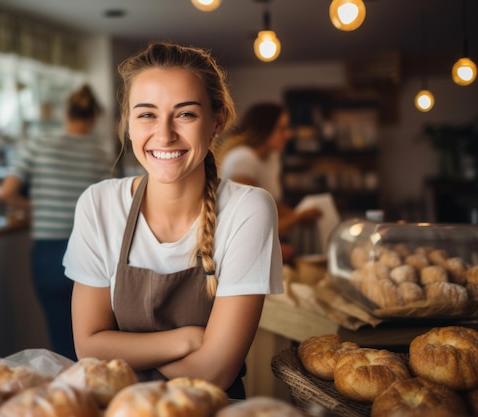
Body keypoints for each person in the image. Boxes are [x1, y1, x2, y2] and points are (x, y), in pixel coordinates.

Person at [63, 42, 283, 399]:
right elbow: (88, 348)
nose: (164, 135)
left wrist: (129, 350)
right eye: (147, 114)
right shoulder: (98, 204)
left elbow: (214, 371)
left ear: (218, 120)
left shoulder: (249, 209)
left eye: (185, 114)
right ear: (129, 124)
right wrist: (189, 339)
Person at [0, 84, 112, 361]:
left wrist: (38, 208)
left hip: (47, 254)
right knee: (95, 340)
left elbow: (6, 192)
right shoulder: (102, 154)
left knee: (61, 340)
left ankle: (69, 397)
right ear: (94, 118)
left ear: (65, 113)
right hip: (90, 252)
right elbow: (111, 207)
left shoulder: (39, 143)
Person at [215, 103, 322, 261]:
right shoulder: (242, 159)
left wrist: (298, 214)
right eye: (282, 129)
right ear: (264, 130)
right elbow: (250, 223)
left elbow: (271, 204)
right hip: (242, 253)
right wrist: (298, 218)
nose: (288, 134)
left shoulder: (271, 158)